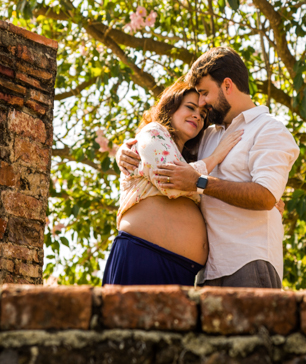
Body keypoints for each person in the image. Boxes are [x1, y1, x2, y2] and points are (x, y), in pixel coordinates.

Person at [119, 47, 299, 288]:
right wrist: (128, 150)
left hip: (249, 264)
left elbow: (265, 196)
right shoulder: (207, 135)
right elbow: (165, 158)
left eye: (204, 93)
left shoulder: (269, 129)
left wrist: (200, 183)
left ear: (227, 85)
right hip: (206, 274)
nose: (201, 102)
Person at [102, 80, 242, 286]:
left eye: (203, 115)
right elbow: (170, 181)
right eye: (190, 107)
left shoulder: (191, 161)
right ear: (172, 107)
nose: (197, 115)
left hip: (183, 271)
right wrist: (216, 156)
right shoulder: (153, 132)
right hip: (143, 255)